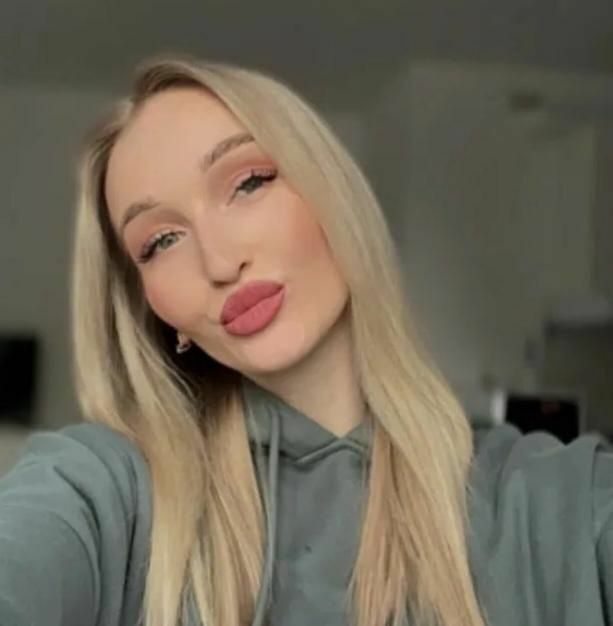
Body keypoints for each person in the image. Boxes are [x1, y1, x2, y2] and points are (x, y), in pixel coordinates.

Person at [0, 55, 612, 626]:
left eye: (248, 183)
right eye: (161, 241)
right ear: (157, 312)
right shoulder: (105, 489)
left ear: (330, 192)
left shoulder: (555, 497)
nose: (218, 262)